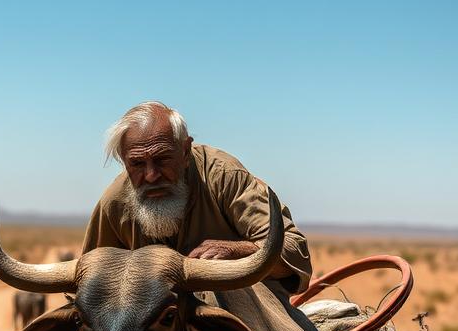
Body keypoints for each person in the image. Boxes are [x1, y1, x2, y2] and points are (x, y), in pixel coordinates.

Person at [82, 101, 311, 294]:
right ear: (124, 161)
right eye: (137, 164)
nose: (151, 176)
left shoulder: (223, 177)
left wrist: (237, 252)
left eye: (162, 159)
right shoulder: (114, 204)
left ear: (185, 151)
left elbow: (294, 249)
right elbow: (90, 284)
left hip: (249, 320)